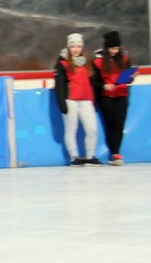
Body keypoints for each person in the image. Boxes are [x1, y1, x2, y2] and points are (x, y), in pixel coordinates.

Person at [54, 32, 102, 166]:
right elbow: (59, 84)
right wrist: (62, 103)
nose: (76, 49)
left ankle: (90, 156)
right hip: (70, 100)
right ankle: (74, 157)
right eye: (73, 46)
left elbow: (93, 83)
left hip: (86, 100)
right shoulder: (62, 63)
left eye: (78, 46)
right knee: (71, 129)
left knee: (92, 129)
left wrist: (94, 102)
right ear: (69, 48)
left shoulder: (87, 63)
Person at [92, 30, 132, 165]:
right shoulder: (98, 62)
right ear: (107, 48)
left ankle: (116, 153)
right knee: (110, 124)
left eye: (116, 48)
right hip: (106, 97)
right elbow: (94, 81)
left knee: (119, 124)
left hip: (122, 95)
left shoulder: (125, 60)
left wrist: (131, 77)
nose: (114, 51)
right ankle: (113, 152)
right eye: (111, 48)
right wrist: (104, 86)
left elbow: (128, 79)